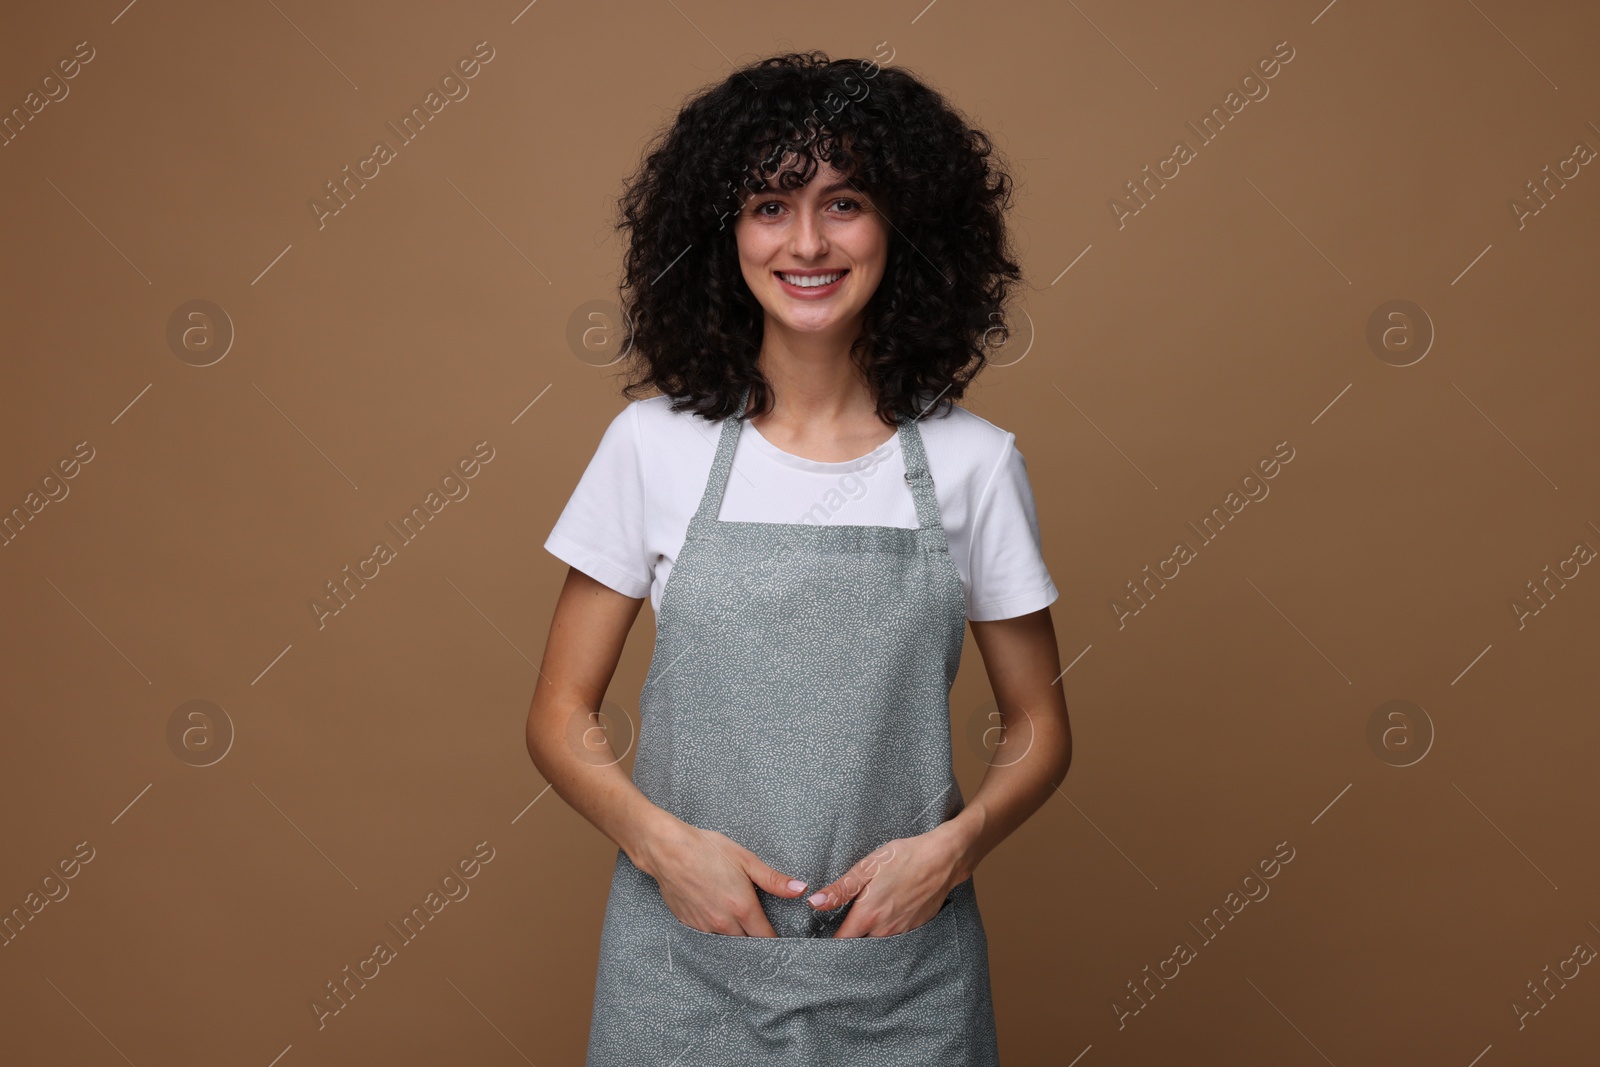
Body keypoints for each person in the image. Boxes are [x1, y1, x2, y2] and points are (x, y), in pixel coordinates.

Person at [526, 50, 1072, 1066]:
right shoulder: (651, 446)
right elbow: (558, 715)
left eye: (845, 202)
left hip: (903, 973)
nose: (808, 241)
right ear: (720, 233)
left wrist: (953, 849)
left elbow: (1040, 725)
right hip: (683, 964)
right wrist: (663, 847)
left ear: (903, 227)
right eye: (770, 206)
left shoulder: (973, 464)